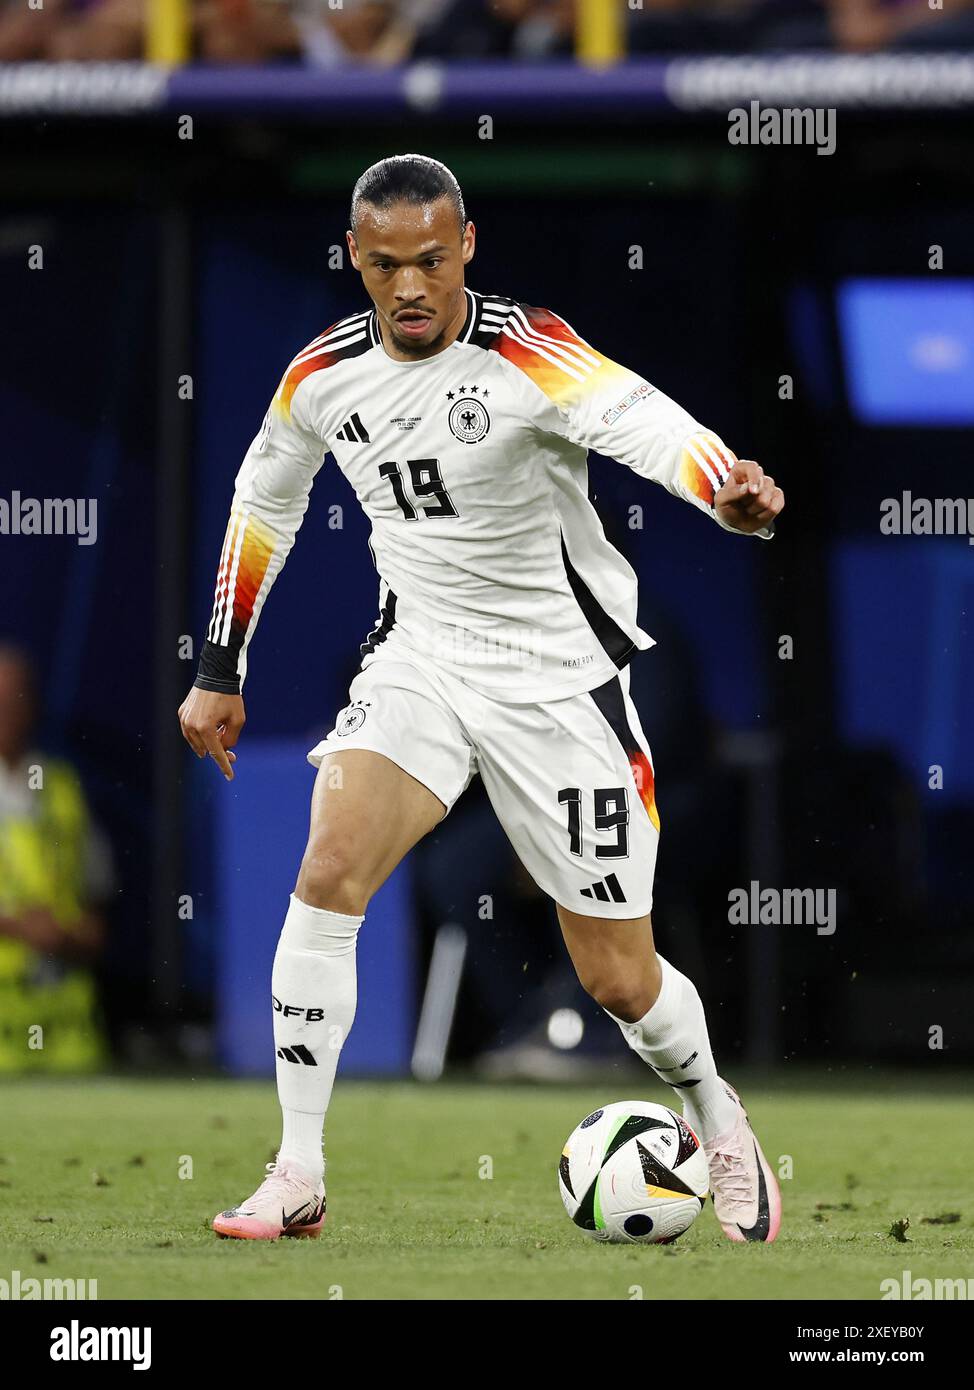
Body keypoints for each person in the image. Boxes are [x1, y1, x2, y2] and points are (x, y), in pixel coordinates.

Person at [178, 153, 785, 1244]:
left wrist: (721, 486)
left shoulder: (526, 348)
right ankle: (297, 1168)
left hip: (559, 683)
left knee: (618, 975)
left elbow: (641, 421)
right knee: (325, 871)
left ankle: (715, 1115)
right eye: (382, 266)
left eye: (426, 260)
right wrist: (221, 668)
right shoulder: (319, 375)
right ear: (354, 259)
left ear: (464, 246)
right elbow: (261, 502)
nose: (407, 287)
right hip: (422, 658)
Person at [0, 645, 110, 1072]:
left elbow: (98, 902)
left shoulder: (62, 790)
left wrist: (69, 934)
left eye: (14, 701)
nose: (6, 713)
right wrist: (17, 926)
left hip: (67, 1031)